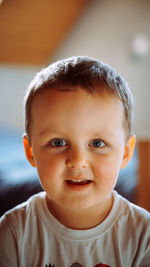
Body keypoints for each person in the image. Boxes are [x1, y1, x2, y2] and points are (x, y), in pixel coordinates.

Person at [0, 56, 149, 267]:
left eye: (97, 143)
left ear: (125, 153)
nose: (78, 161)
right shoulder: (13, 233)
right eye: (58, 142)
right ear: (31, 152)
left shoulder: (143, 234)